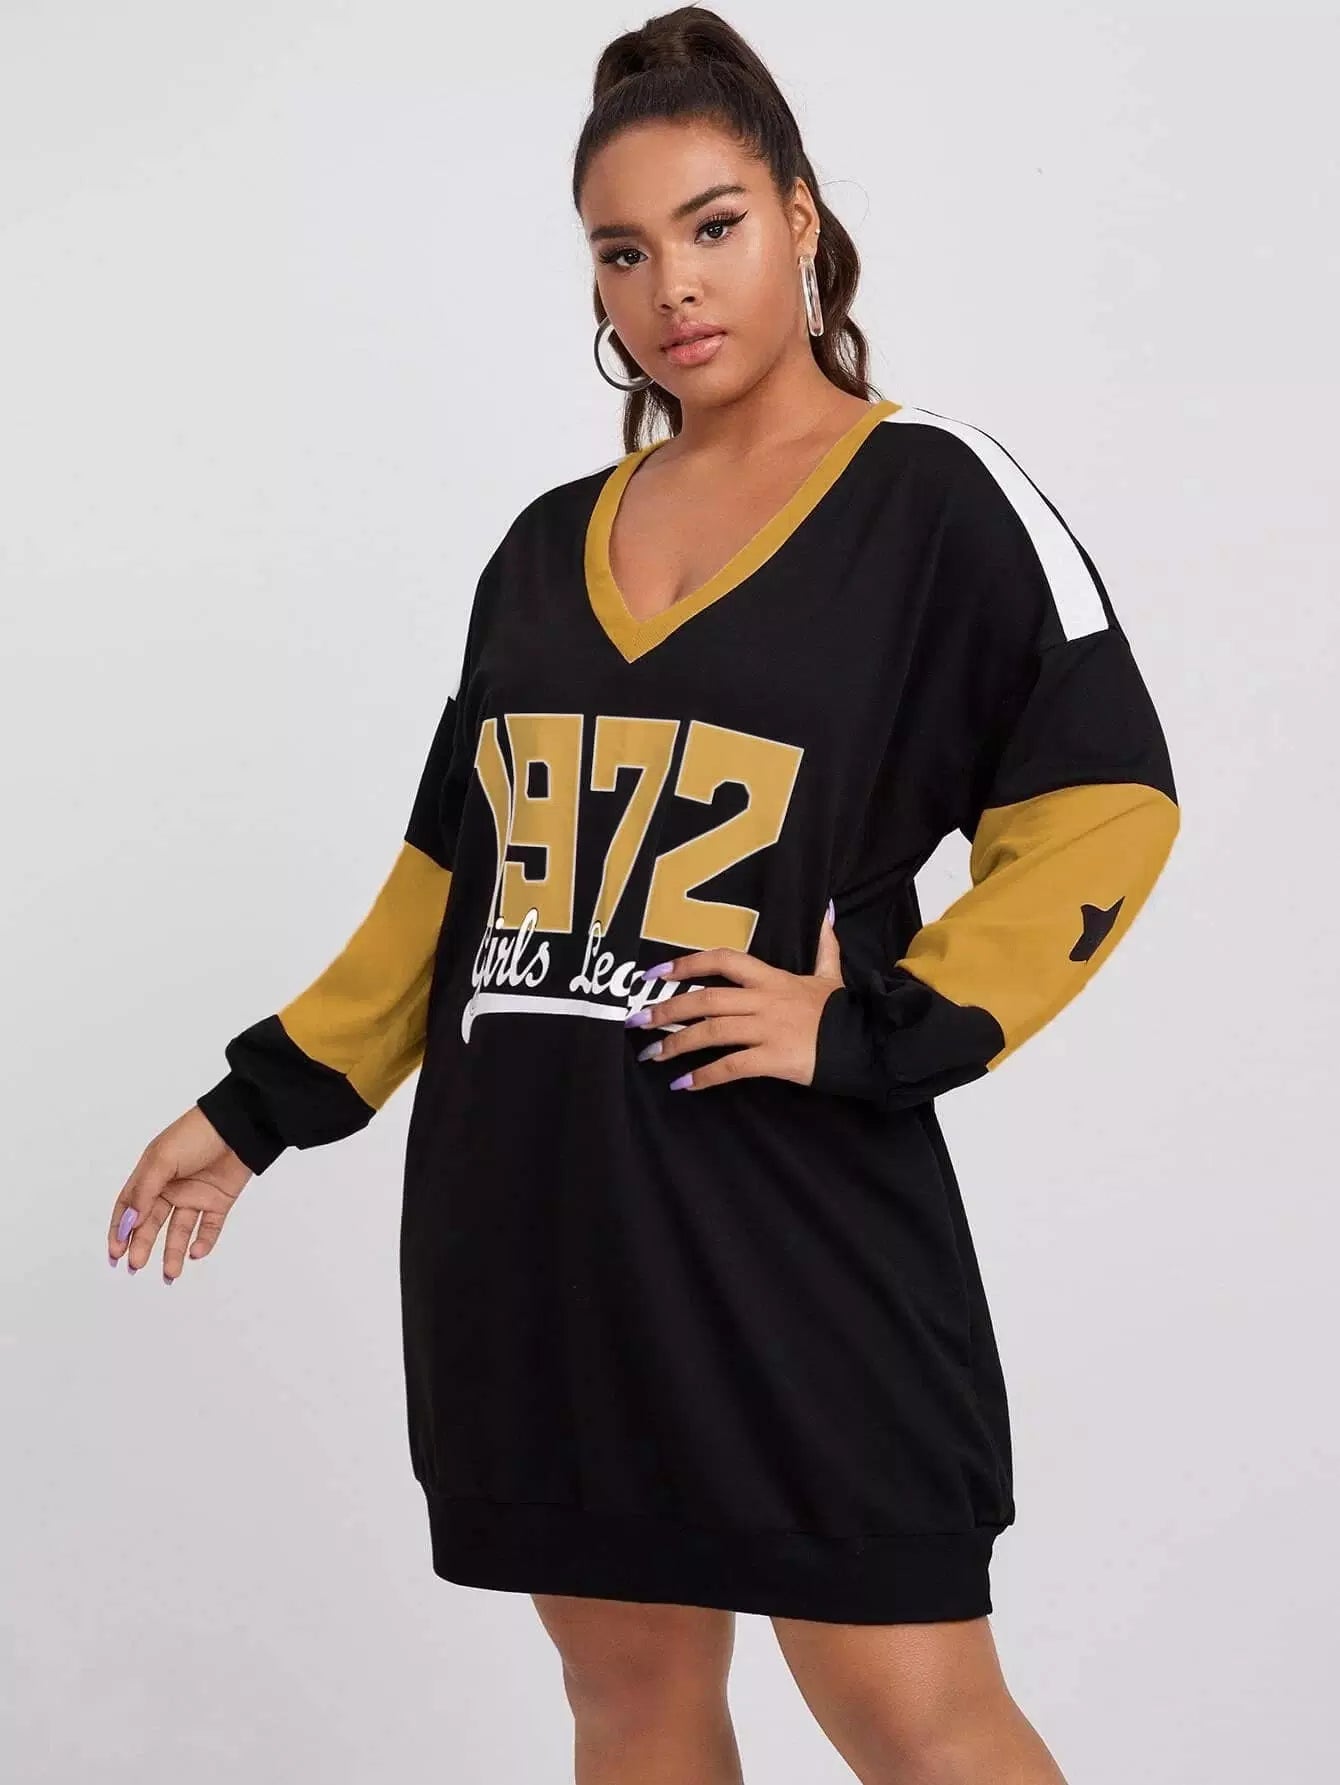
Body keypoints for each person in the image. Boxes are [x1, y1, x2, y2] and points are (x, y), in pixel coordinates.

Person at [107, 8, 1179, 1781]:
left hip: (788, 1214)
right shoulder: (542, 549)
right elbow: (449, 882)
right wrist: (259, 1106)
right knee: (628, 1701)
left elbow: (1106, 801)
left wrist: (884, 1023)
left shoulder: (934, 498)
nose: (671, 285)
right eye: (622, 250)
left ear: (802, 218)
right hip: (536, 1216)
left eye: (713, 224)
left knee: (914, 1715)